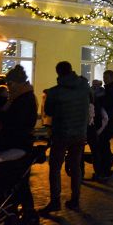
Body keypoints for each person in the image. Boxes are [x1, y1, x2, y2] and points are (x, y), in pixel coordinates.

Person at [40, 61, 91, 214]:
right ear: (71, 70)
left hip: (62, 133)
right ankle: (75, 199)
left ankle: (55, 201)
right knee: (75, 166)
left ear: (58, 73)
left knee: (55, 167)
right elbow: (91, 99)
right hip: (80, 133)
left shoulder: (55, 92)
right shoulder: (84, 85)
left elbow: (48, 111)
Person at [0, 65, 38, 217]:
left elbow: (16, 122)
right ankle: (19, 209)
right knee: (19, 181)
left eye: (10, 84)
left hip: (19, 144)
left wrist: (0, 116)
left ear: (18, 83)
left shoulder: (24, 99)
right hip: (17, 143)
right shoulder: (18, 97)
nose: (8, 87)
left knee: (18, 180)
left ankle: (25, 212)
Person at [97, 69, 113, 178]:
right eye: (104, 77)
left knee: (103, 144)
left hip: (107, 122)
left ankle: (105, 168)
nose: (104, 79)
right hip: (106, 122)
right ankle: (106, 164)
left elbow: (107, 104)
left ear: (111, 78)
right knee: (103, 144)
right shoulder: (108, 89)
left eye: (106, 77)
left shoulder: (111, 91)